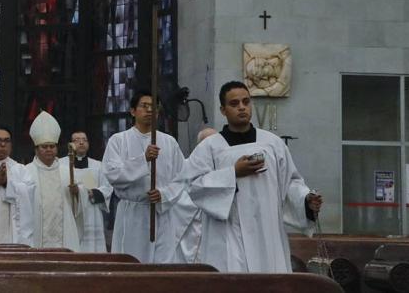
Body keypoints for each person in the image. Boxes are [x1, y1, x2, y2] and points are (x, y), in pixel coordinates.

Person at [182, 81, 323, 273]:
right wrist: (233, 173)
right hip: (227, 233)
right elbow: (195, 186)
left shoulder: (273, 144)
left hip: (267, 232)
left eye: (246, 102)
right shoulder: (209, 148)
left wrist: (306, 201)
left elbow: (290, 182)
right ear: (223, 110)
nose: (241, 107)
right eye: (234, 104)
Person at [102, 90, 185, 263]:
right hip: (132, 215)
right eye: (144, 106)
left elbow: (181, 177)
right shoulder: (118, 140)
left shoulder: (169, 142)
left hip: (161, 214)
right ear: (133, 111)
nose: (149, 110)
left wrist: (164, 194)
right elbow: (112, 173)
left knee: (162, 266)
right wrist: (143, 160)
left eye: (154, 107)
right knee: (133, 265)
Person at [25, 111, 81, 250]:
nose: (49, 150)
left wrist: (78, 192)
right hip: (37, 230)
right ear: (36, 149)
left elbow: (79, 202)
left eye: (52, 146)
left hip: (64, 232)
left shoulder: (68, 171)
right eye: (44, 147)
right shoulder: (26, 172)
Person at [171, 127, 217, 263]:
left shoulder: (225, 167)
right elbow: (174, 197)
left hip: (212, 232)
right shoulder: (183, 167)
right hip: (186, 232)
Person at [65, 130, 113, 252]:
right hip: (70, 212)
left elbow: (107, 188)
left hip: (92, 214)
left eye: (84, 140)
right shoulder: (61, 165)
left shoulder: (97, 165)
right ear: (70, 144)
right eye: (76, 140)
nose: (81, 142)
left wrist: (86, 193)